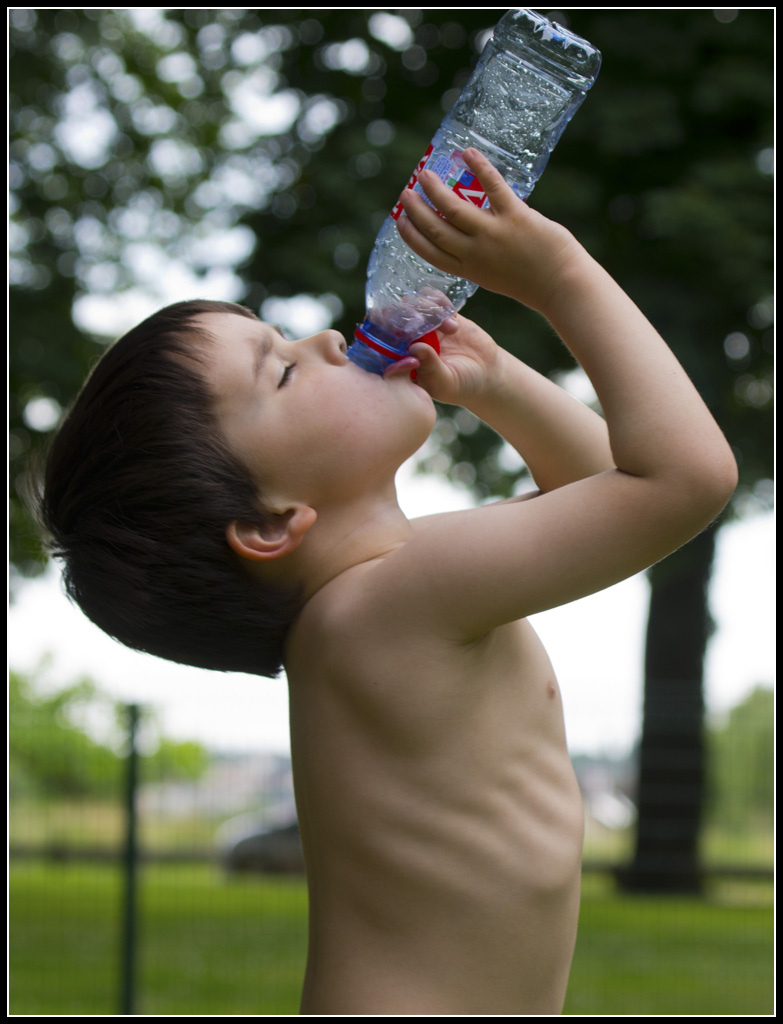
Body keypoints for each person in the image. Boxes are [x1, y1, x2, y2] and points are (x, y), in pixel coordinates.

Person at [38, 149, 737, 1014]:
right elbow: (681, 481)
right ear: (269, 523)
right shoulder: (384, 611)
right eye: (283, 370)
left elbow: (600, 489)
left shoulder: (386, 597)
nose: (327, 339)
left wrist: (498, 384)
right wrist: (556, 273)